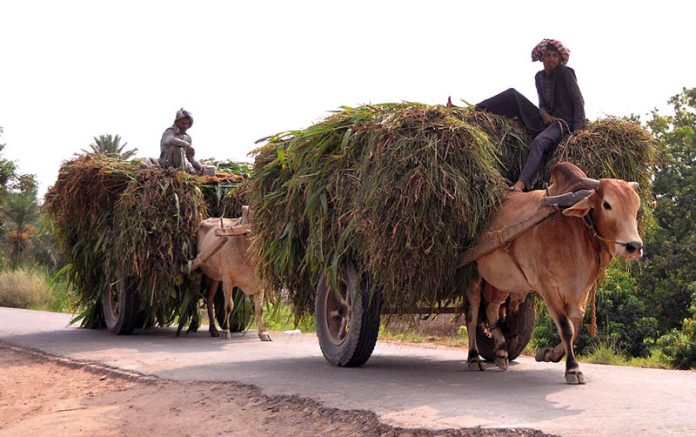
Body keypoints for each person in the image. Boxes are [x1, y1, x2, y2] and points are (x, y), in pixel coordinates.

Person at [475, 39, 585, 191]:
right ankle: (475, 110)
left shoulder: (565, 73)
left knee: (539, 142)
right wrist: (543, 113)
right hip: (545, 120)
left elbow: (578, 100)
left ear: (560, 59)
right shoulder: (539, 77)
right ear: (541, 58)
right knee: (512, 94)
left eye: (555, 56)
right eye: (547, 55)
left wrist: (578, 130)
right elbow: (541, 103)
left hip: (562, 122)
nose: (551, 59)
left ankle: (521, 184)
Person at [159, 108, 203, 174]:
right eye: (183, 123)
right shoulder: (170, 132)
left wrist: (198, 165)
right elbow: (170, 140)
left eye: (187, 124)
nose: (185, 126)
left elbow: (190, 157)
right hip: (167, 164)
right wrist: (187, 145)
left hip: (183, 165)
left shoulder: (188, 138)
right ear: (177, 122)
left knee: (204, 169)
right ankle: (179, 173)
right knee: (177, 149)